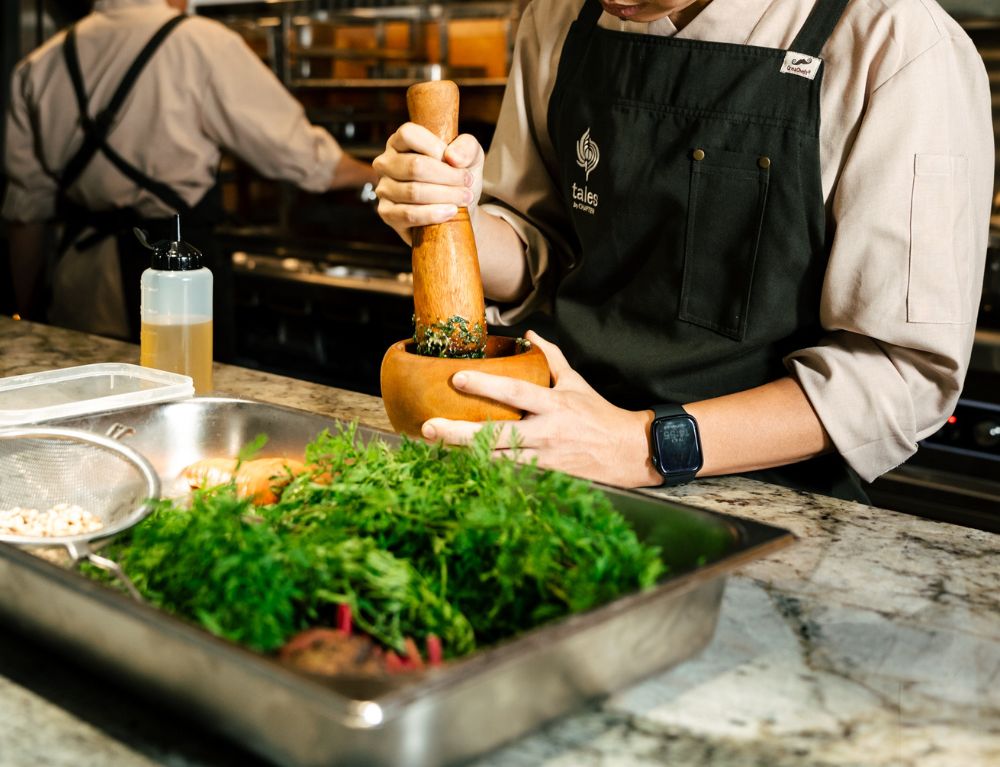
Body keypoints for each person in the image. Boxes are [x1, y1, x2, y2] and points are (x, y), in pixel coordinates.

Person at [373, 0, 994, 499]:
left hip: (771, 500)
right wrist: (444, 214)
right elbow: (544, 252)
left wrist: (641, 443)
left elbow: (901, 374)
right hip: (551, 462)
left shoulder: (894, 42)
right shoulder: (557, 18)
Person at [3, 0, 377, 358]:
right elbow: (300, 156)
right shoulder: (202, 43)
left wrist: (31, 320)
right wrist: (377, 174)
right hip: (179, 285)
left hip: (79, 286)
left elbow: (25, 218)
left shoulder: (39, 64)